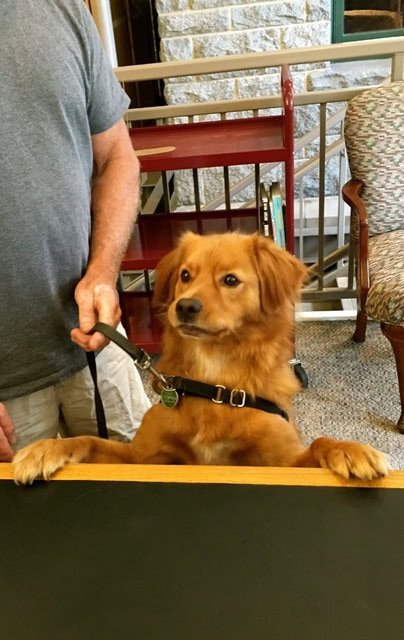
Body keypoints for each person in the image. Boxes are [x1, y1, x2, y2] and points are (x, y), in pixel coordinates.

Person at [0, 0, 151, 461]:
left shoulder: (59, 8)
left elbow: (116, 158)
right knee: (27, 533)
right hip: (7, 391)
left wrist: (103, 271)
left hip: (97, 345)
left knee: (152, 500)